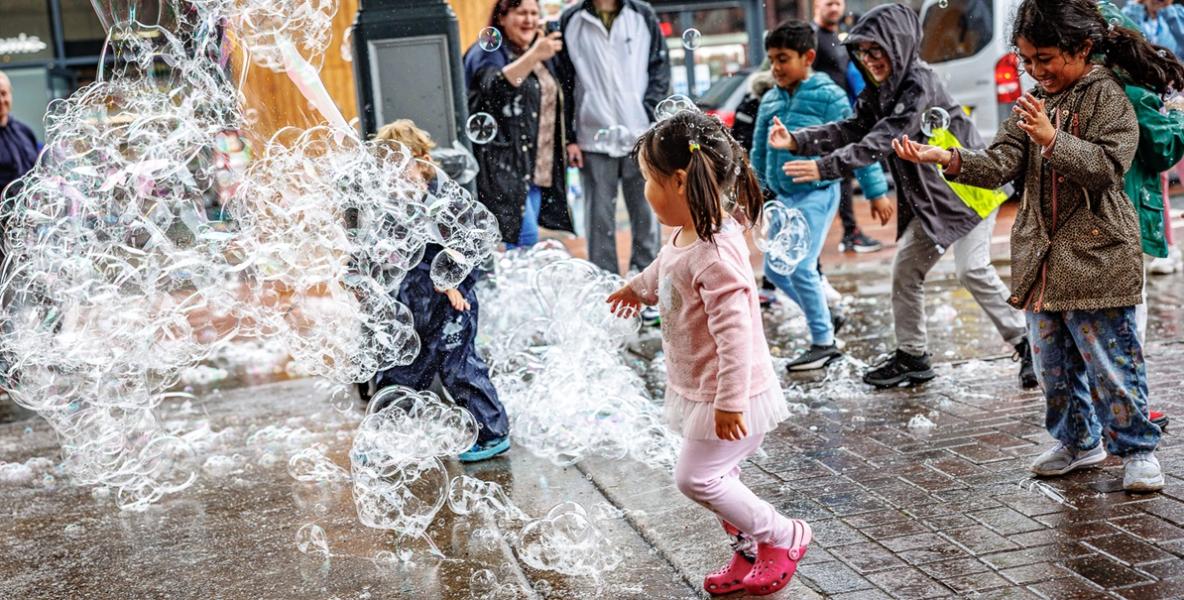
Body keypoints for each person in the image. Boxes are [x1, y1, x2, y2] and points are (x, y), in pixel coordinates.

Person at [892, 0, 1179, 492]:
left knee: (1112, 362)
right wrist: (949, 157)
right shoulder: (1036, 99)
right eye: (1027, 60)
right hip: (1040, 261)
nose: (1036, 70)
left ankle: (1136, 448)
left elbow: (1107, 169)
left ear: (1082, 48)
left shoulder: (1109, 97)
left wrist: (1052, 140)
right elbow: (1002, 161)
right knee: (1054, 366)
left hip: (1097, 256)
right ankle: (1078, 441)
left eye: (1044, 58)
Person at [767, 4, 1036, 390]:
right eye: (863, 52)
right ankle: (912, 356)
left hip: (971, 189)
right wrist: (799, 141)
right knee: (905, 270)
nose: (869, 60)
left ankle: (1028, 345)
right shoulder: (880, 88)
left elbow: (883, 138)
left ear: (899, 46)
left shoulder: (918, 83)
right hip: (935, 199)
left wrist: (825, 167)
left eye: (877, 51)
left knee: (971, 270)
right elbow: (855, 127)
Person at [607, 111, 810, 597]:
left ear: (679, 181)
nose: (644, 193)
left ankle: (784, 535)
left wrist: (730, 401)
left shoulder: (717, 253)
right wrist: (638, 288)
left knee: (696, 478)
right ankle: (748, 554)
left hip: (732, 393)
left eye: (648, 182)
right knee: (719, 476)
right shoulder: (686, 233)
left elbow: (737, 334)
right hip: (704, 387)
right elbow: (666, 266)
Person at [750, 20, 890, 372]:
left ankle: (823, 341)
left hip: (816, 193)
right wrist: (754, 191)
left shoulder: (829, 97)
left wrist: (875, 192)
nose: (776, 68)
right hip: (782, 199)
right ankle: (825, 314)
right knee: (776, 269)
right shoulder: (769, 99)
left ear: (808, 57)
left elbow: (856, 143)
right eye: (771, 60)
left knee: (799, 265)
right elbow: (757, 151)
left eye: (783, 59)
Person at [371, 120, 512, 463]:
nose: (391, 175)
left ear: (420, 160)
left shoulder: (444, 200)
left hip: (453, 304)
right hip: (413, 302)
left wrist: (452, 282)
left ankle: (493, 433)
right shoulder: (391, 204)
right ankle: (388, 439)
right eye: (384, 167)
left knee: (459, 367)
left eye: (398, 165)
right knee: (402, 368)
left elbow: (469, 245)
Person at [557, 0, 670, 285]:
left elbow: (659, 67)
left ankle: (648, 286)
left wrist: (648, 111)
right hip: (592, 136)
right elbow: (564, 83)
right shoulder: (571, 18)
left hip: (641, 135)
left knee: (647, 215)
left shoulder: (642, 13)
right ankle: (604, 289)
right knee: (599, 222)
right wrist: (569, 137)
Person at [463, 0, 573, 250]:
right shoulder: (488, 51)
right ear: (501, 18)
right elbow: (493, 89)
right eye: (521, 12)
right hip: (503, 168)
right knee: (523, 241)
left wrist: (569, 141)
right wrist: (535, 55)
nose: (529, 19)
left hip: (536, 168)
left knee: (523, 243)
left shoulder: (538, 51)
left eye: (534, 13)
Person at [812, 0, 881, 254]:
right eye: (829, 3)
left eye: (839, 3)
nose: (835, 7)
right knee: (834, 175)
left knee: (843, 175)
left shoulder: (835, 37)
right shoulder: (814, 38)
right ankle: (845, 234)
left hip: (841, 117)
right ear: (817, 4)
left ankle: (849, 232)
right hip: (823, 120)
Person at [1122, 0, 1184, 274]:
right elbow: (1135, 45)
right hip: (1154, 101)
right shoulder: (1129, 14)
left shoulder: (1178, 14)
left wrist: (1169, 12)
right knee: (1157, 176)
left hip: (1179, 97)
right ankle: (1167, 246)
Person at [0, 71, 39, 200]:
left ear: (10, 94)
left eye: (3, 93)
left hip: (30, 213)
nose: (1, 100)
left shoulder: (24, 131)